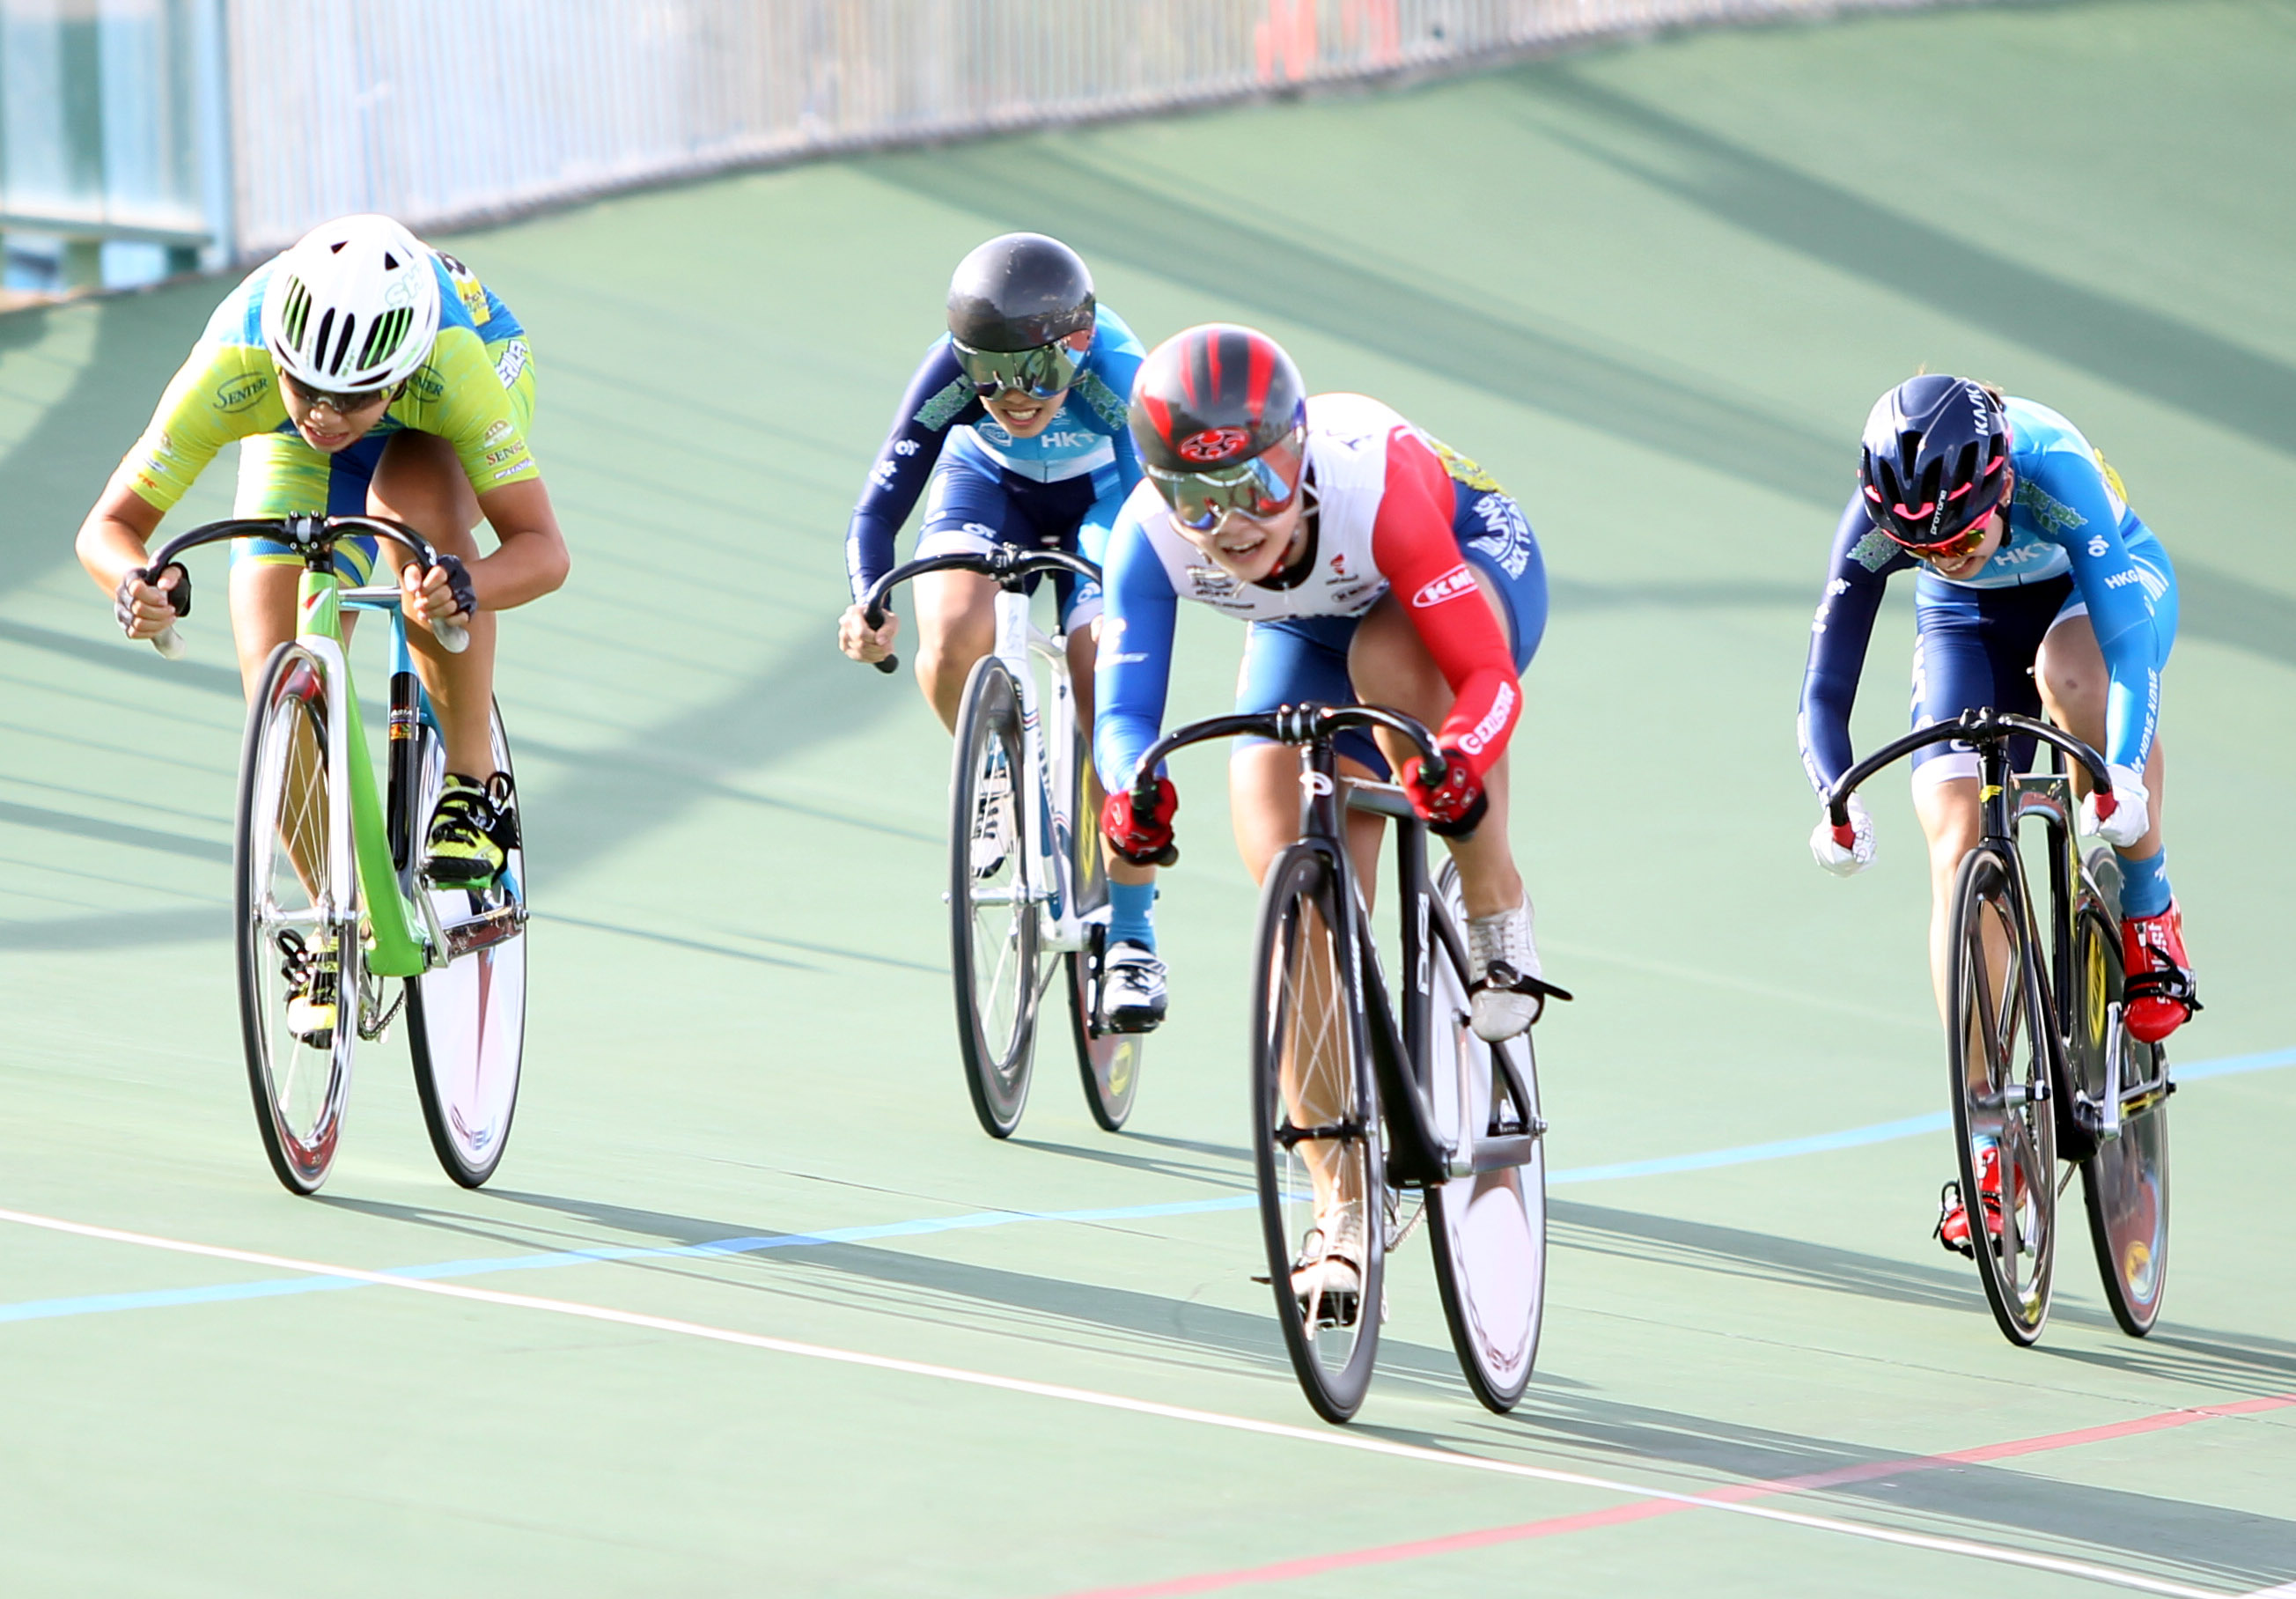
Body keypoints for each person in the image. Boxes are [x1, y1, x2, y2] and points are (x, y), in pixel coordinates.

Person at [1093, 323, 1552, 1303]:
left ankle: (1492, 905)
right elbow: (1124, 718)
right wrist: (1132, 787)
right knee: (1294, 905)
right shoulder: (1147, 536)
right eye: (1194, 499)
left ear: (1297, 455)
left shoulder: (1371, 484)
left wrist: (1458, 759)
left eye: (1252, 488)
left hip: (1448, 567)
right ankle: (1341, 1213)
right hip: (1303, 628)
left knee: (1393, 668)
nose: (1227, 525)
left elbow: (1484, 675)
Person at [76, 212, 570, 1036]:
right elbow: (109, 527)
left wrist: (464, 581)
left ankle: (474, 789)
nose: (324, 416)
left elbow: (543, 551)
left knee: (417, 531)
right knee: (270, 671)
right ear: (280, 357)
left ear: (396, 369)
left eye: (347, 400)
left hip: (433, 415)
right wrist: (135, 583)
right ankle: (336, 919)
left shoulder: (448, 362)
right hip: (301, 451)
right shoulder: (238, 357)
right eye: (306, 390)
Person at [1797, 373, 2197, 1254]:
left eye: (1959, 535)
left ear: (1999, 488)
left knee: (2072, 675)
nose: (1942, 554)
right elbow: (1824, 688)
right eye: (1920, 546)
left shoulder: (2051, 465)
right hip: (1966, 631)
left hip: (2095, 595)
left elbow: (2128, 651)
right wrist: (1834, 793)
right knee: (1954, 845)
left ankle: (2148, 904)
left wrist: (2121, 773)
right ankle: (1988, 1136)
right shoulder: (1883, 528)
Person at [835, 232, 1165, 1030]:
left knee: (1102, 678)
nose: (1013, 400)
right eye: (988, 380)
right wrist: (866, 604)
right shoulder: (948, 371)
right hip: (986, 486)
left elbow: (1150, 514)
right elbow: (878, 509)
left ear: (1077, 348)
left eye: (1036, 376)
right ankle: (997, 770)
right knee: (948, 636)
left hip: (1103, 498)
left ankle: (1132, 936)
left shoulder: (1124, 373)